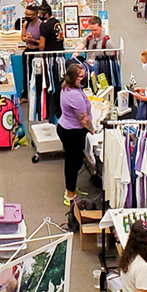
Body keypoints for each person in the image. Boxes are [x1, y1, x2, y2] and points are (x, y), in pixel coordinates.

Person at [57, 63, 94, 207]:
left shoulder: (68, 87)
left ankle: (71, 188)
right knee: (73, 162)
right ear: (73, 77)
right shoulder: (74, 95)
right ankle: (70, 194)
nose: (83, 78)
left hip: (68, 129)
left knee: (75, 160)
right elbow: (83, 119)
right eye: (80, 77)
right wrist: (92, 130)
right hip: (73, 132)